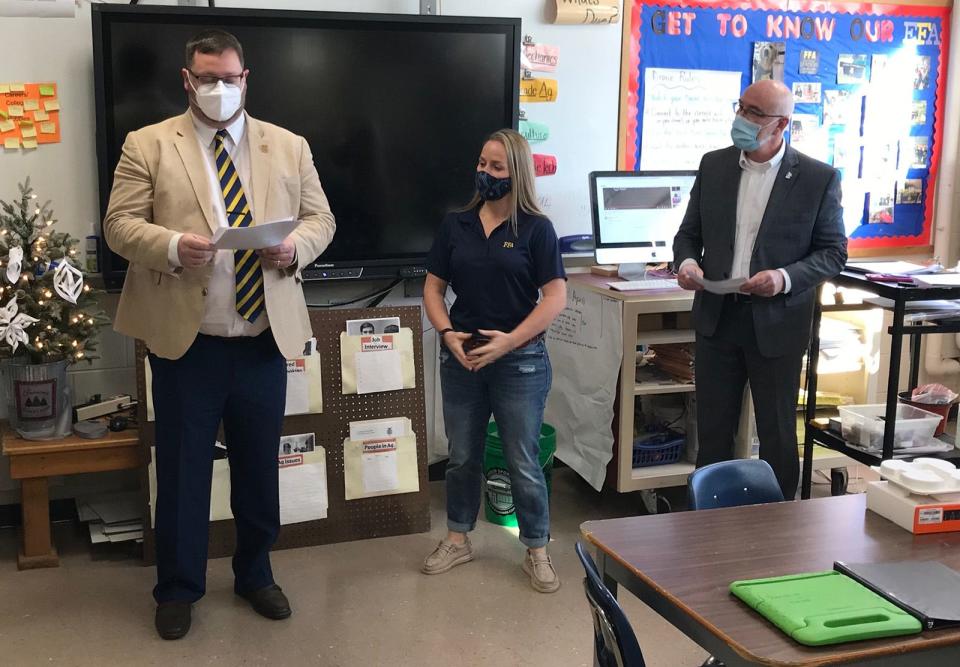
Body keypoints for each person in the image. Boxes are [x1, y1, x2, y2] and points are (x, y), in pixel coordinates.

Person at [103, 29, 335, 640]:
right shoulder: (148, 144)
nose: (219, 88)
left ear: (246, 78)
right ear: (188, 80)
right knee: (182, 471)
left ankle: (256, 574)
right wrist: (174, 245)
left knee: (261, 467)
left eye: (229, 78)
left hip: (262, 337)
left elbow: (321, 218)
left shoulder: (288, 145)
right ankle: (178, 587)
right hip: (188, 343)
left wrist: (295, 248)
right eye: (207, 78)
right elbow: (118, 226)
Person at [673, 79, 847, 500]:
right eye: (741, 107)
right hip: (718, 317)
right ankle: (708, 525)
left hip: (777, 322)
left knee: (777, 435)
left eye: (754, 113)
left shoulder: (817, 179)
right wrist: (686, 262)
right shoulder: (714, 165)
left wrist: (783, 278)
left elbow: (833, 252)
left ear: (782, 124)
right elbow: (687, 234)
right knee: (713, 433)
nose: (742, 119)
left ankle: (778, 529)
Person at [420, 129, 567, 593]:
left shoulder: (537, 229)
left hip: (519, 361)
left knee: (522, 459)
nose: (485, 173)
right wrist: (446, 334)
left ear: (517, 173)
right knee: (461, 456)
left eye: (497, 167)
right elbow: (433, 287)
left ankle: (537, 550)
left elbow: (555, 296)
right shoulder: (456, 225)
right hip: (463, 359)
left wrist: (509, 343)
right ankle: (458, 538)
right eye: (482, 164)